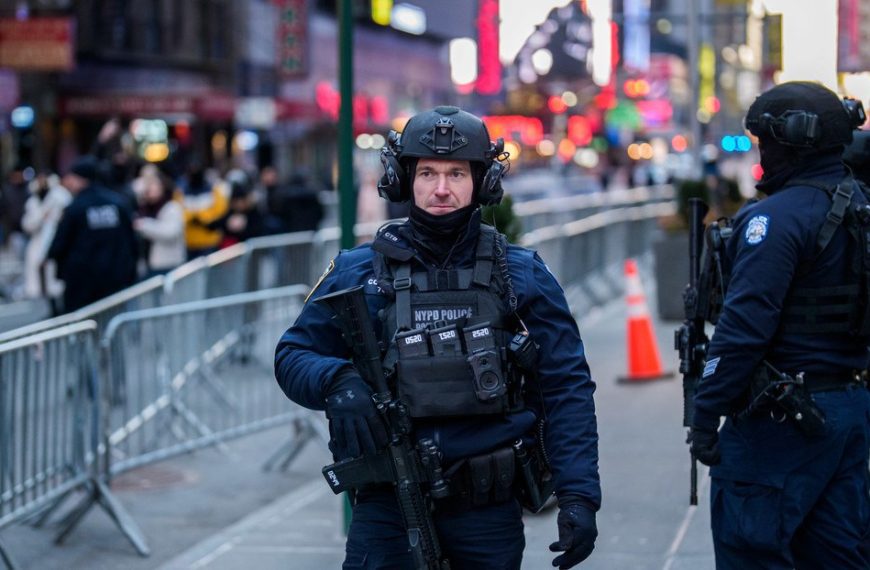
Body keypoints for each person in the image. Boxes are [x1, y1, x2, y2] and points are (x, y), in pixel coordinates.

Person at [275, 106, 600, 569]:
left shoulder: (521, 274)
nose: (441, 189)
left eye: (456, 173)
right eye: (426, 172)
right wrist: (336, 381)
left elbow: (566, 386)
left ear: (483, 183)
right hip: (387, 509)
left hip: (486, 511)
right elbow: (291, 355)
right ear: (402, 179)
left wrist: (579, 494)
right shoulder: (358, 272)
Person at [690, 82, 870, 569]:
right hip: (850, 408)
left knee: (751, 548)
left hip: (783, 419)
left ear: (791, 140)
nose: (761, 153)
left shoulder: (774, 220)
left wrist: (706, 411)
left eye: (764, 141)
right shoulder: (862, 206)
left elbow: (743, 330)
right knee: (840, 553)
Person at [48, 155, 138, 313]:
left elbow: (58, 246)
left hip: (81, 287)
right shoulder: (118, 204)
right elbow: (133, 243)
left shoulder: (75, 208)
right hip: (117, 283)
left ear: (80, 178)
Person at [20, 172, 71, 298]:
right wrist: (41, 216)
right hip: (38, 240)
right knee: (37, 275)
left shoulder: (60, 196)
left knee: (54, 277)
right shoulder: (33, 201)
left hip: (56, 239)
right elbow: (27, 224)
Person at [133, 171, 185, 277]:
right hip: (148, 264)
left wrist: (144, 225)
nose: (150, 188)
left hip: (168, 264)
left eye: (154, 185)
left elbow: (170, 233)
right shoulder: (144, 208)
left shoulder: (172, 207)